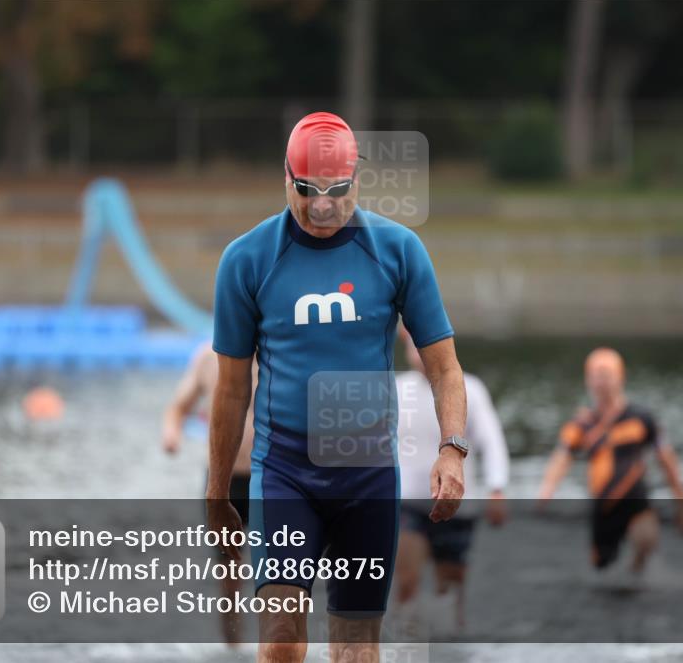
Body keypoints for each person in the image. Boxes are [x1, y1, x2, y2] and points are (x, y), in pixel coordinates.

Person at [207, 111, 468, 663]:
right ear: (285, 178)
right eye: (307, 191)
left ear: (357, 180)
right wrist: (215, 490)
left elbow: (444, 369)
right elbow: (231, 391)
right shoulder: (246, 261)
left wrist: (452, 450)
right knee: (280, 636)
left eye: (336, 190)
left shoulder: (397, 251)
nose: (322, 205)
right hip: (284, 472)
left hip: (367, 476)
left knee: (354, 650)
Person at [393, 328, 508, 633]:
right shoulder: (394, 389)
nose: (420, 354)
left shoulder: (471, 388)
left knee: (450, 586)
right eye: (413, 346)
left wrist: (497, 488)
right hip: (405, 502)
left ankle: (448, 640)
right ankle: (407, 636)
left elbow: (491, 441)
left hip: (456, 502)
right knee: (406, 580)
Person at [537, 347, 683, 573]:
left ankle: (640, 570)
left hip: (635, 497)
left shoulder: (642, 417)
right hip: (603, 504)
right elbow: (562, 457)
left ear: (621, 377)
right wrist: (547, 489)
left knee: (646, 539)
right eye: (596, 376)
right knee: (602, 565)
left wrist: (682, 503)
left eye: (607, 375)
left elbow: (666, 459)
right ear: (588, 380)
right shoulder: (582, 424)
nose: (602, 382)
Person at [161, 340, 256, 648]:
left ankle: (278, 641)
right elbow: (178, 407)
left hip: (274, 479)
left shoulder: (279, 351)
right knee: (229, 572)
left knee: (280, 569)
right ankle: (233, 644)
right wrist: (172, 433)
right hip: (222, 481)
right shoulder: (207, 357)